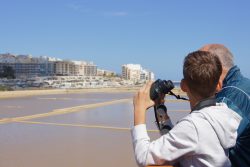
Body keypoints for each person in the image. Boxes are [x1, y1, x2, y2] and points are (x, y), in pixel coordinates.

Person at [131, 51, 242, 167]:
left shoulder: (193, 126)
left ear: (183, 86)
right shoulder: (224, 113)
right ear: (219, 85)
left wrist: (139, 109)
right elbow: (178, 141)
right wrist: (160, 108)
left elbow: (144, 157)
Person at [200, 44, 250, 166]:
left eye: (198, 63)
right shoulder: (244, 85)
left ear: (213, 65)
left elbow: (203, 143)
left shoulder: (229, 97)